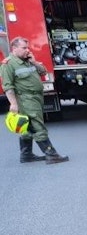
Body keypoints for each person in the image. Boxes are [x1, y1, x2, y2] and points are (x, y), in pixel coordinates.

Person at [0, 36, 68, 164]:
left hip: (35, 97)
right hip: (26, 99)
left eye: (28, 47)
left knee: (27, 127)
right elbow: (8, 87)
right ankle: (51, 154)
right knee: (37, 125)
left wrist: (34, 62)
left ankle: (26, 154)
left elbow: (43, 72)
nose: (27, 50)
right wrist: (13, 104)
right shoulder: (8, 64)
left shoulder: (27, 61)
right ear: (14, 48)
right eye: (24, 48)